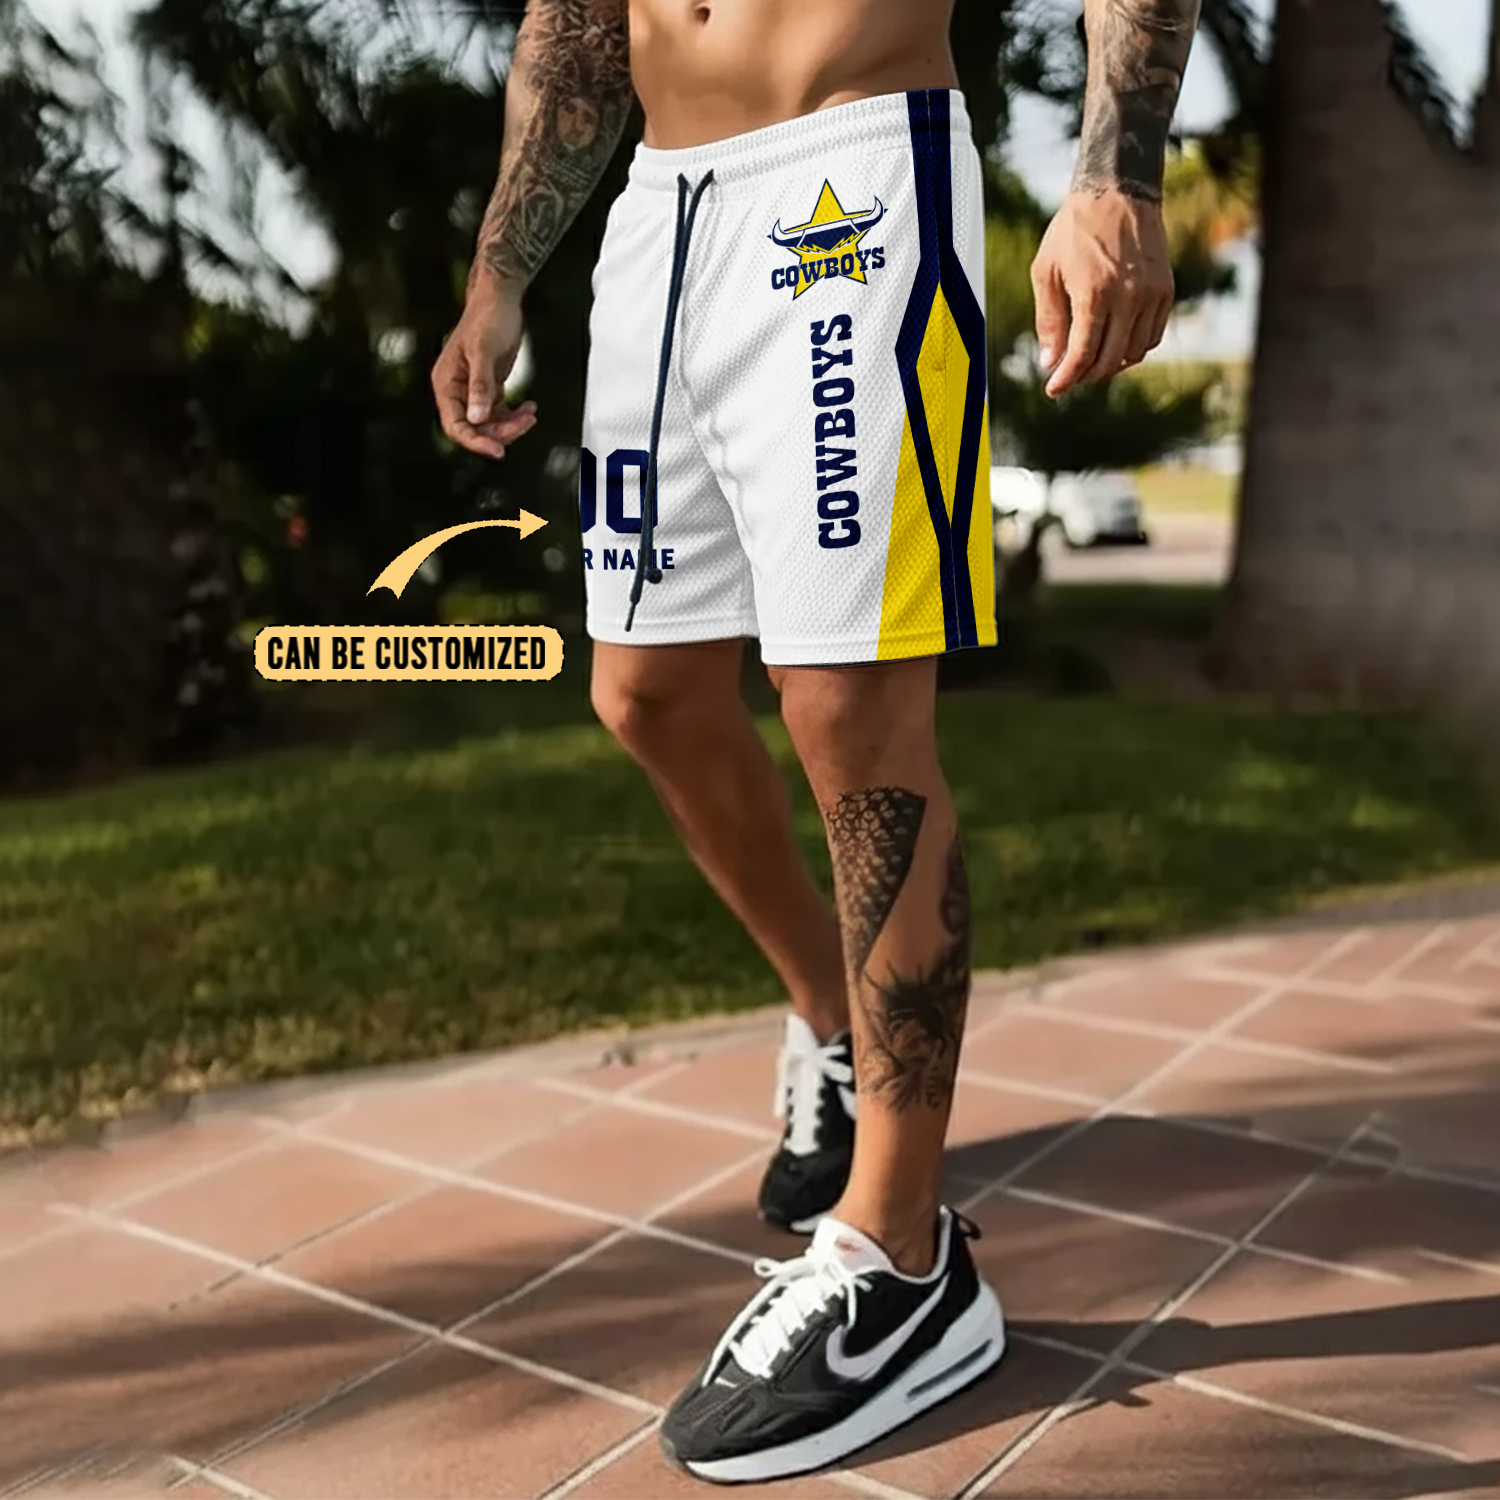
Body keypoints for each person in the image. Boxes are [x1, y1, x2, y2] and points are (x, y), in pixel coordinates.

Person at [432, 0, 1201, 1480]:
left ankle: (903, 1258)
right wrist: (499, 270)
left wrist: (1118, 175)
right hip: (660, 211)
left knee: (849, 708)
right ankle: (835, 1027)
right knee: (644, 694)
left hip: (852, 174)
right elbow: (577, 23)